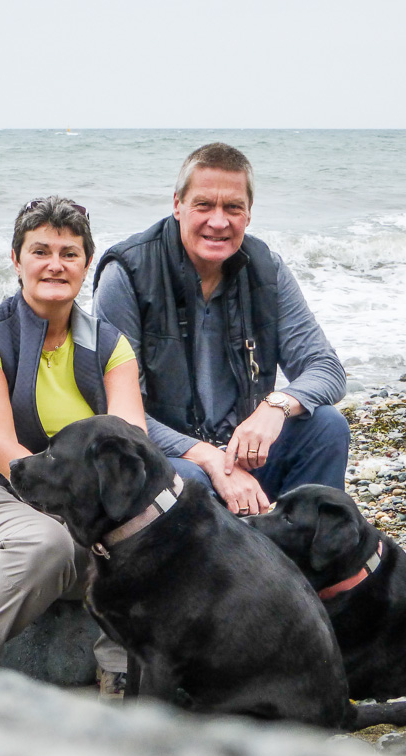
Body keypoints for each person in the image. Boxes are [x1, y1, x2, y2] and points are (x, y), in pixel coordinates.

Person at [0, 197, 143, 697]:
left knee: (148, 538)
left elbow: (131, 439)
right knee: (45, 543)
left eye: (70, 253)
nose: (55, 264)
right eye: (41, 251)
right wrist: (67, 513)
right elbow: (0, 446)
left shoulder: (111, 345)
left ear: (87, 264)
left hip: (89, 520)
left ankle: (123, 680)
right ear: (16, 259)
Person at [93, 143, 349, 517]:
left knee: (326, 426)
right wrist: (210, 459)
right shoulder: (127, 274)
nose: (218, 221)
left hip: (242, 449)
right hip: (166, 456)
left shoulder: (267, 270)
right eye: (203, 205)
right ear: (177, 205)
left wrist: (273, 407)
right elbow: (118, 413)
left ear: (248, 214)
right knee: (187, 482)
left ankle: (308, 563)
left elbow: (327, 369)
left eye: (233, 208)